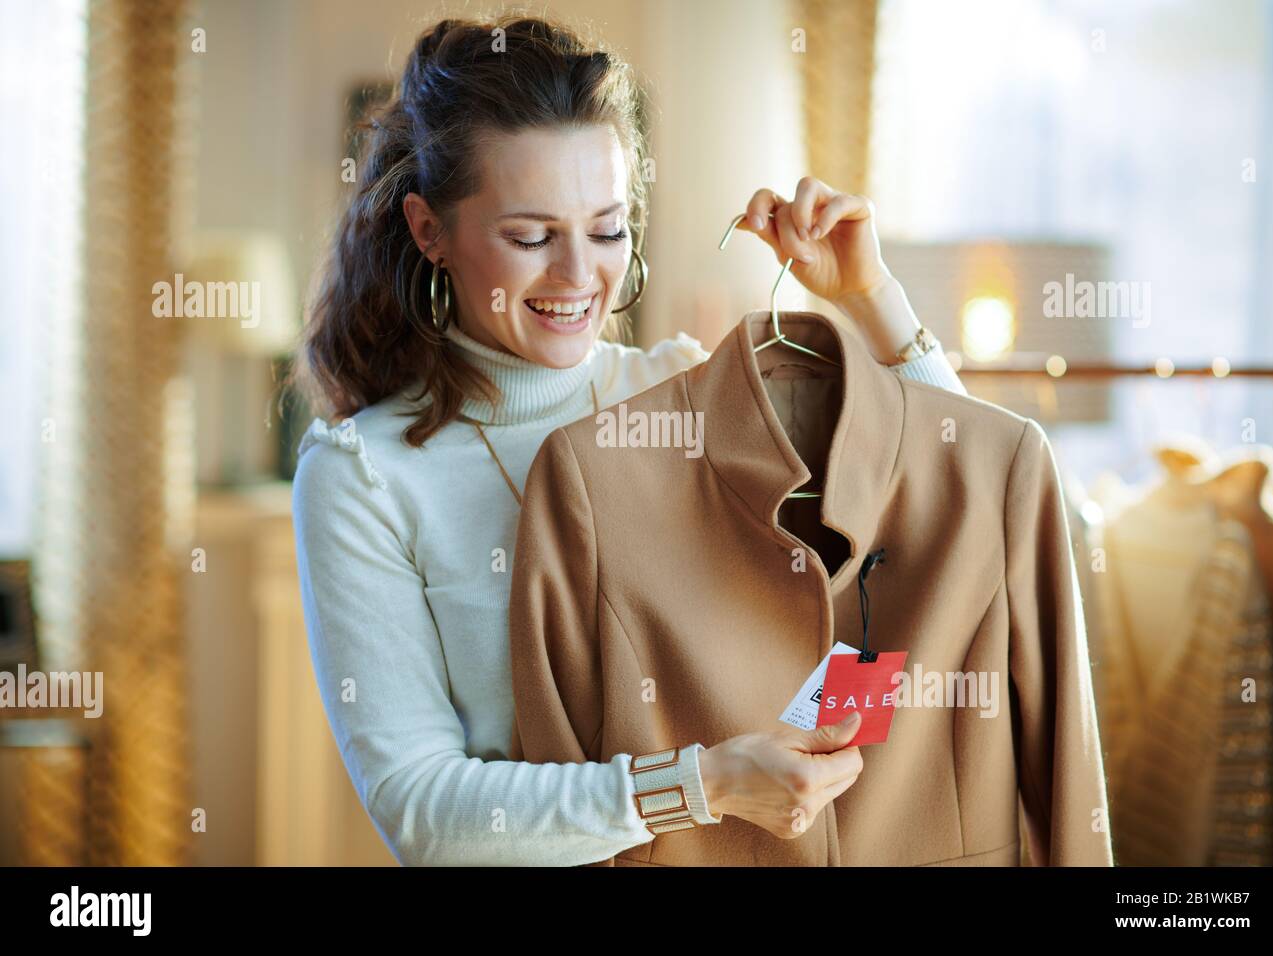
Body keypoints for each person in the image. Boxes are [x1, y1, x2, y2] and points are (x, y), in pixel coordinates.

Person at [291, 13, 967, 866]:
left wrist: (873, 301)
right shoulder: (366, 478)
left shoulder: (682, 388)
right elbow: (425, 814)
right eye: (531, 237)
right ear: (431, 231)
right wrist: (705, 785)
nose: (580, 278)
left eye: (606, 229)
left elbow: (955, 502)